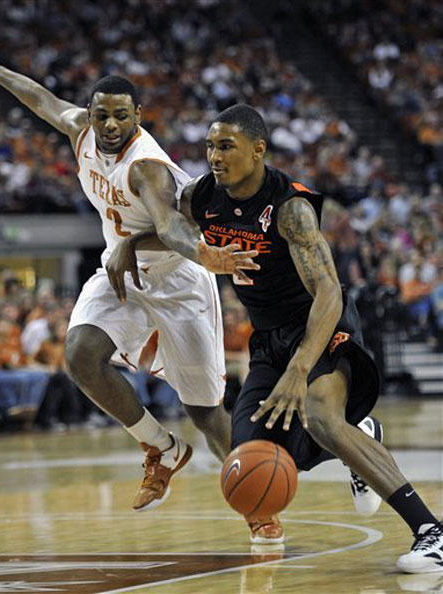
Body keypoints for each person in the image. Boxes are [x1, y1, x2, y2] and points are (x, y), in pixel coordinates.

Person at [109, 104, 442, 574]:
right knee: (251, 456)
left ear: (258, 149)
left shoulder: (290, 210)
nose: (214, 156)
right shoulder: (204, 196)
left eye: (226, 146)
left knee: (321, 418)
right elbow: (172, 230)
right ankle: (361, 435)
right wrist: (129, 242)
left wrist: (301, 368)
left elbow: (328, 290)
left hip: (321, 325)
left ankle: (431, 530)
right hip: (268, 339)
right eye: (210, 146)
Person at [0, 32, 259, 512]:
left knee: (204, 410)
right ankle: (161, 447)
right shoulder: (81, 132)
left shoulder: (146, 169)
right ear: (90, 115)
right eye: (102, 115)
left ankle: (258, 507)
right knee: (80, 354)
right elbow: (42, 100)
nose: (110, 124)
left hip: (178, 277)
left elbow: (172, 227)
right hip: (123, 274)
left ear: (138, 117)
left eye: (121, 115)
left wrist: (203, 255)